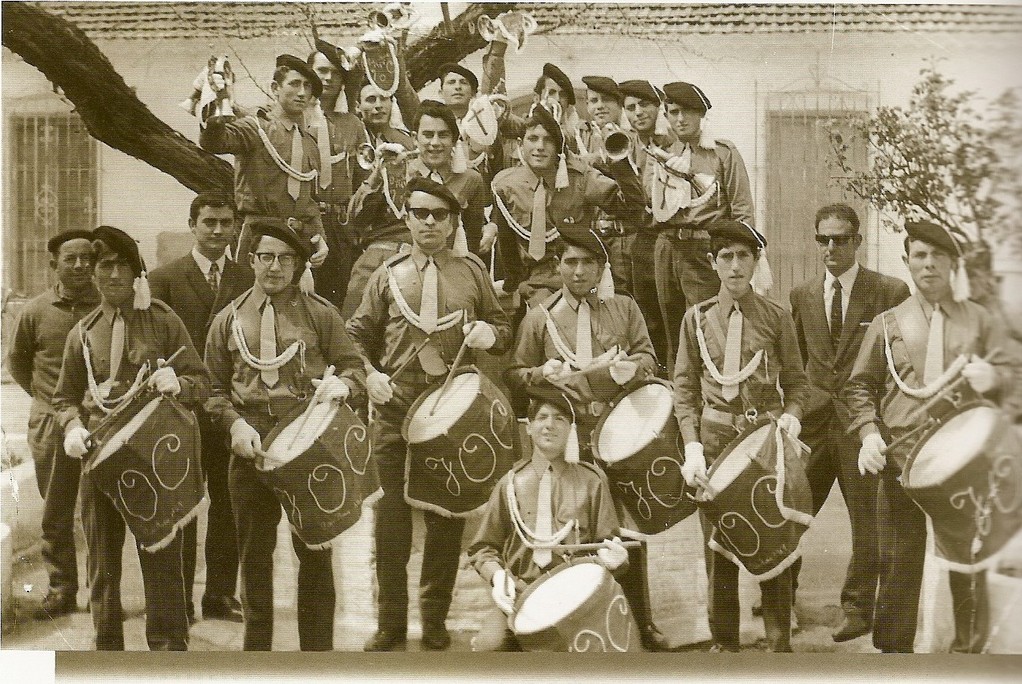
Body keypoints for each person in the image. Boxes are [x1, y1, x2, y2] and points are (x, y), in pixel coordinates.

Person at [345, 177, 512, 651]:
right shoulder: (386, 273)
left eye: (440, 215)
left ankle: (435, 618)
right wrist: (369, 375)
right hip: (395, 412)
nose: (430, 222)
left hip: (452, 414)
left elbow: (502, 324)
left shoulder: (472, 271)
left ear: (454, 221)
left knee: (445, 521)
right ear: (407, 217)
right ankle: (391, 623)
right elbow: (355, 336)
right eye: (421, 213)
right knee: (391, 523)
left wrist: (490, 334)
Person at [845, 221, 1015, 653]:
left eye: (938, 256)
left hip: (964, 463)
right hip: (901, 459)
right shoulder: (886, 323)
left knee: (966, 558)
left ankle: (965, 651)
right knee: (897, 561)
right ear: (907, 262)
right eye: (920, 255)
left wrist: (995, 376)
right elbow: (860, 386)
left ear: (953, 264)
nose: (929, 264)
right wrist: (867, 434)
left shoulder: (978, 320)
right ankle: (894, 654)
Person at [505, 226, 673, 650]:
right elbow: (515, 373)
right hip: (562, 438)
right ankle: (562, 618)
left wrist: (633, 368)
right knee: (562, 524)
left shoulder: (624, 308)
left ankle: (639, 619)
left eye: (588, 263)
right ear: (558, 265)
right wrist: (542, 374)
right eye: (570, 262)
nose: (579, 271)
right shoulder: (539, 317)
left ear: (601, 268)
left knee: (625, 530)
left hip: (615, 434)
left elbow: (649, 357)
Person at [203, 218, 365, 651]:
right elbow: (212, 389)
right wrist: (233, 424)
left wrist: (344, 385)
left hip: (307, 444)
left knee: (314, 555)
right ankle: (257, 660)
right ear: (251, 260)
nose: (274, 267)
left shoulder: (320, 313)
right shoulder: (228, 319)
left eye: (285, 258)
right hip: (249, 446)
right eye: (265, 257)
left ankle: (317, 660)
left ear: (297, 265)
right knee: (254, 560)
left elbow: (354, 366)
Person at [52, 225, 210, 650]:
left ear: (137, 272)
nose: (114, 275)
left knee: (161, 559)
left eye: (124, 266)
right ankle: (107, 653)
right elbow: (64, 397)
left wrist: (178, 381)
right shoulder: (82, 333)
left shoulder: (162, 320)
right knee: (102, 565)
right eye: (106, 266)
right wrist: (72, 427)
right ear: (95, 274)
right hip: (99, 462)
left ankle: (168, 655)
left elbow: (201, 382)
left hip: (152, 461)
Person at [673, 219, 810, 652]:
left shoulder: (776, 318)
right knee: (719, 544)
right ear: (713, 264)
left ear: (755, 262)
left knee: (774, 538)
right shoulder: (694, 320)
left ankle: (777, 642)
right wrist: (692, 445)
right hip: (714, 442)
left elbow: (797, 382)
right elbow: (684, 389)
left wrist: (792, 416)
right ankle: (725, 643)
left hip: (764, 440)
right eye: (726, 258)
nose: (735, 267)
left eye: (744, 257)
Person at [788, 203, 910, 642]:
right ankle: (781, 595)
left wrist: (874, 424)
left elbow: (899, 363)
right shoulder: (801, 294)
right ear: (816, 242)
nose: (832, 247)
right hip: (817, 425)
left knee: (868, 521)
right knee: (791, 508)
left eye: (841, 238)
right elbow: (798, 361)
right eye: (824, 239)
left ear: (858, 241)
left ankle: (857, 608)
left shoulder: (889, 291)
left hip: (863, 425)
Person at [148, 193, 253, 625]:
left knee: (228, 505)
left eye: (226, 223)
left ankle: (220, 594)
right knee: (184, 507)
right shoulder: (165, 279)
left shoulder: (250, 276)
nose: (217, 231)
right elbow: (152, 343)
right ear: (192, 224)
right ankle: (181, 599)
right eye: (209, 222)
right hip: (182, 409)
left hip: (227, 407)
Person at [467, 383, 629, 651]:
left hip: (578, 595)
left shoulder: (592, 482)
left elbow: (608, 547)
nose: (549, 425)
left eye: (560, 418)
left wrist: (618, 560)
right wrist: (498, 579)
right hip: (521, 594)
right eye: (541, 417)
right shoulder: (510, 484)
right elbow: (483, 548)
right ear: (528, 427)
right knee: (488, 649)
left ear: (570, 429)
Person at [6, 230, 99, 620]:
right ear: (54, 265)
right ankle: (62, 589)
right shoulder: (36, 311)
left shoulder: (107, 306)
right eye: (70, 259)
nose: (79, 266)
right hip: (51, 424)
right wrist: (48, 400)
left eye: (86, 259)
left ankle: (103, 593)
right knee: (57, 509)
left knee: (103, 510)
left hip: (101, 421)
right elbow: (17, 362)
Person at [490, 104, 645, 309]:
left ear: (558, 148)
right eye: (533, 139)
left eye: (548, 140)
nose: (540, 147)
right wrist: (516, 283)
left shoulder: (580, 178)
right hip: (538, 281)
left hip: (583, 276)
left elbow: (632, 207)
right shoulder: (506, 184)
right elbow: (507, 242)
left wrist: (619, 164)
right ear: (521, 143)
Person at [653, 82, 755, 368]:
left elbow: (742, 210)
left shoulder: (721, 153)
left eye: (687, 112)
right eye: (673, 112)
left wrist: (738, 260)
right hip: (667, 247)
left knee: (704, 326)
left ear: (701, 115)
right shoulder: (663, 152)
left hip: (701, 250)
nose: (680, 119)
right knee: (671, 329)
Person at [199, 54, 328, 269]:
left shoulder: (309, 141)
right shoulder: (255, 128)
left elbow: (310, 202)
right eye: (294, 84)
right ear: (275, 88)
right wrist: (215, 112)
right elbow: (216, 142)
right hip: (258, 239)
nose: (302, 92)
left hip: (297, 241)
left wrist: (320, 239)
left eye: (307, 86)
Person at [338, 76, 418, 318]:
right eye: (370, 100)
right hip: (349, 232)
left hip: (391, 235)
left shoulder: (405, 141)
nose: (378, 105)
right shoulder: (349, 138)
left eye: (384, 98)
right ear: (358, 106)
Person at [305, 42, 369, 308]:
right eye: (321, 70)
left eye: (334, 72)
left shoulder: (352, 124)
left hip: (342, 224)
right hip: (305, 221)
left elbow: (362, 178)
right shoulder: (297, 117)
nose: (328, 77)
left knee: (342, 297)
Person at [618, 79, 677, 367]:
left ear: (658, 108)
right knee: (646, 314)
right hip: (641, 239)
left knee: (671, 313)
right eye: (630, 107)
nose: (638, 112)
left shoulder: (673, 143)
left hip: (668, 238)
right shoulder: (625, 145)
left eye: (644, 105)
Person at [576, 76, 636, 295]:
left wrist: (596, 160)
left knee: (627, 301)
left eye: (606, 100)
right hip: (595, 237)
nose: (599, 106)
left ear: (619, 105)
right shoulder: (582, 136)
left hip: (626, 238)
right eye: (593, 101)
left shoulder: (633, 138)